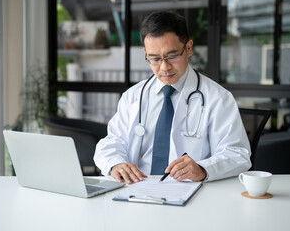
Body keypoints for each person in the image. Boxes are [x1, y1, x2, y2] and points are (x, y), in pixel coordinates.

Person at [94, 11, 251, 184]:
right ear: (146, 53)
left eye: (172, 56)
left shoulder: (218, 98)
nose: (164, 67)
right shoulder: (133, 96)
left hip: (191, 192)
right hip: (137, 190)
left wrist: (203, 169)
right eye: (154, 58)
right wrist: (116, 164)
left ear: (188, 48)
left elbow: (237, 153)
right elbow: (111, 143)